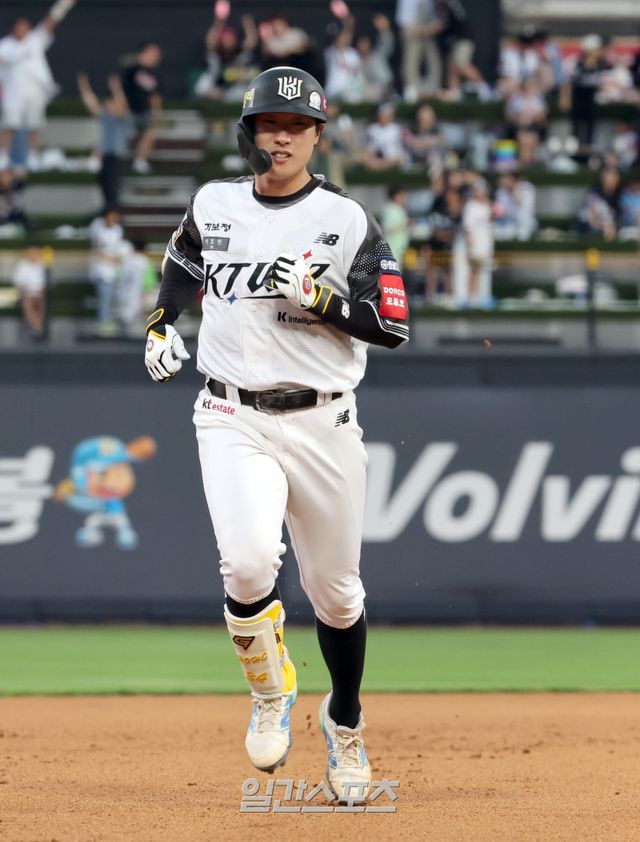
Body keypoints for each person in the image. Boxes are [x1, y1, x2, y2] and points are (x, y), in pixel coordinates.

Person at [143, 66, 409, 804]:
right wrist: (161, 322)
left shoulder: (346, 219)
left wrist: (322, 298)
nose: (282, 137)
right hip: (232, 412)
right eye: (270, 124)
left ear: (318, 135)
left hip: (324, 418)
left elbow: (392, 324)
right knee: (247, 564)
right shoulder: (214, 202)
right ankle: (271, 690)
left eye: (297, 126)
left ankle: (345, 719)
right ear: (250, 133)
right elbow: (182, 261)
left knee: (337, 595)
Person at [0, 0, 77, 170]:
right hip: (13, 93)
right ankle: (3, 156)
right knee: (9, 125)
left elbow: (51, 21)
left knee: (34, 126)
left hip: (34, 92)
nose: (22, 29)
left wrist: (63, 5)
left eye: (24, 26)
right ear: (14, 28)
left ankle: (32, 156)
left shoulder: (35, 40)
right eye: (19, 26)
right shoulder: (5, 45)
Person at [77, 72, 133, 213]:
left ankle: (113, 215)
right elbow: (92, 104)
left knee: (113, 190)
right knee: (106, 188)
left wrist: (116, 89)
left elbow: (122, 104)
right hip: (106, 158)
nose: (108, 105)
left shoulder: (122, 119)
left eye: (111, 103)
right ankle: (107, 213)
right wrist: (84, 87)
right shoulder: (106, 118)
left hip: (117, 159)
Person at [560, 34, 610, 154]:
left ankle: (588, 149)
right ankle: (577, 150)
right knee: (577, 126)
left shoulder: (602, 65)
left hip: (592, 101)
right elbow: (567, 83)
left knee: (591, 126)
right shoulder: (575, 63)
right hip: (578, 100)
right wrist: (565, 98)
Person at [120, 42, 163, 174]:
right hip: (128, 110)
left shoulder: (155, 74)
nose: (155, 57)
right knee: (120, 137)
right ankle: (98, 159)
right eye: (152, 53)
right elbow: (122, 62)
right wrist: (139, 59)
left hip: (144, 111)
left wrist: (157, 112)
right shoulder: (133, 68)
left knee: (149, 134)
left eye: (157, 54)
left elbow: (155, 95)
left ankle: (140, 161)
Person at [12, 243, 48, 338]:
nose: (33, 254)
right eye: (31, 251)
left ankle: (37, 328)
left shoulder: (43, 264)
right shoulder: (21, 265)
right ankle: (38, 328)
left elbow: (46, 282)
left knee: (42, 303)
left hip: (40, 293)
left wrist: (42, 292)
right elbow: (18, 283)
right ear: (27, 252)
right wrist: (25, 293)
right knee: (27, 303)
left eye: (36, 251)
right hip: (27, 293)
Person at [381, 186, 410, 271]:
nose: (405, 198)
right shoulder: (390, 209)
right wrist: (404, 224)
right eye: (402, 195)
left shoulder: (399, 209)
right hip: (392, 250)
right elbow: (387, 229)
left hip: (399, 250)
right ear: (396, 196)